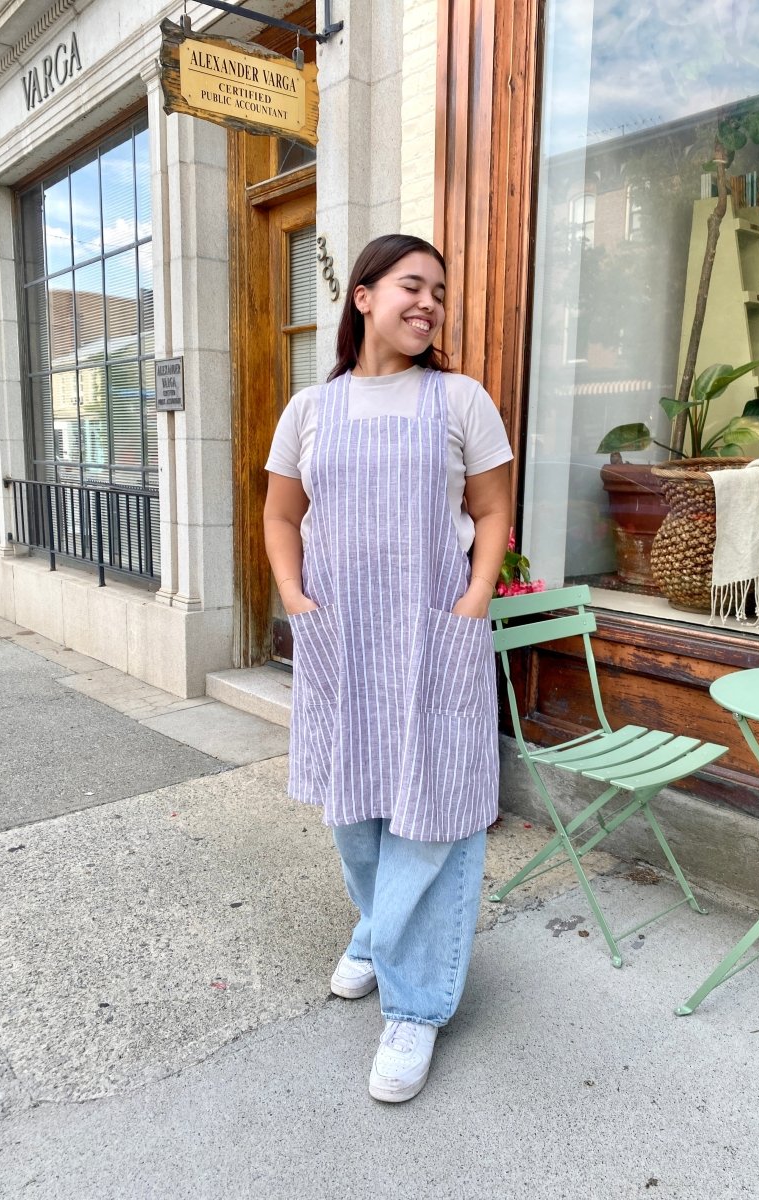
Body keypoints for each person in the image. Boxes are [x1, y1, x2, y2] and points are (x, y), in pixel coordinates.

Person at [264, 234, 512, 1103]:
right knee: (354, 805)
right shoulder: (308, 410)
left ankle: (415, 1006)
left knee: (433, 814)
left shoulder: (460, 400)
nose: (430, 304)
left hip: (432, 634)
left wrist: (474, 600)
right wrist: (295, 596)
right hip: (342, 638)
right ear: (363, 296)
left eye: (440, 292)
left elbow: (492, 512)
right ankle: (376, 929)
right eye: (414, 285)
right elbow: (281, 515)